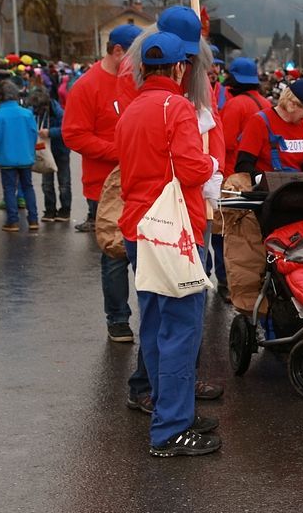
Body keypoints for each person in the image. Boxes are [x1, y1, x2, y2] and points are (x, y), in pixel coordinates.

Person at [116, 32, 221, 457]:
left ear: (143, 67)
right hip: (173, 232)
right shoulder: (175, 106)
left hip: (138, 228)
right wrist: (211, 163)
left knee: (157, 324)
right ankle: (171, 428)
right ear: (180, 67)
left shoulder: (131, 109)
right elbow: (191, 169)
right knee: (180, 329)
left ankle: (170, 411)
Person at [62, 23, 143, 342]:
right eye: (135, 55)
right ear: (118, 51)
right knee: (114, 254)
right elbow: (73, 135)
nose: (139, 63)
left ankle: (149, 314)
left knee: (147, 252)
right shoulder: (87, 85)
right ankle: (118, 319)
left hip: (142, 180)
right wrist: (119, 151)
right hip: (104, 186)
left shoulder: (136, 82)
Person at [235, 78, 303, 178]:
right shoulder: (259, 121)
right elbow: (243, 165)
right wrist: (264, 179)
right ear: (292, 105)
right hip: (268, 183)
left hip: (297, 184)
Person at [0, 79, 38, 232]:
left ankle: (13, 221)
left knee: (9, 188)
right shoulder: (27, 114)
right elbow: (34, 134)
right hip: (25, 156)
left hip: (6, 157)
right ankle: (33, 219)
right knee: (28, 187)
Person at [27, 87, 71, 223]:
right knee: (46, 183)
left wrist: (50, 132)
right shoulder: (34, 111)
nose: (36, 111)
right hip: (45, 152)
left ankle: (65, 210)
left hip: (60, 151)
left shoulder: (59, 113)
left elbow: (67, 129)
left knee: (64, 183)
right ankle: (50, 209)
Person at [220, 58, 270, 174]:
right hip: (259, 170)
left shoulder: (235, 104)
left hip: (234, 171)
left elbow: (227, 143)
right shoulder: (266, 103)